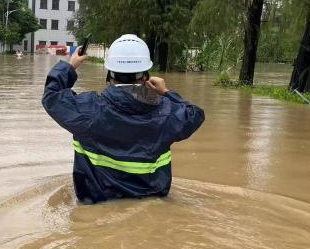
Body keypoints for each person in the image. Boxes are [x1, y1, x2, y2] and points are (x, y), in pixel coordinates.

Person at [42, 34, 205, 204]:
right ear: (145, 77)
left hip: (97, 209)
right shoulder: (166, 112)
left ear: (109, 75)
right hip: (151, 205)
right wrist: (166, 92)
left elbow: (52, 97)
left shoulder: (88, 111)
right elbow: (195, 114)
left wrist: (70, 66)